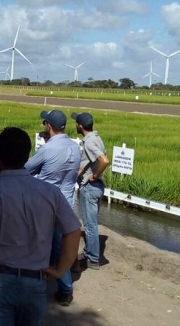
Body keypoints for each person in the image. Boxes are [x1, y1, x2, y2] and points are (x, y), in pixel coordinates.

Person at [0, 127, 82, 325]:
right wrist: (60, 269)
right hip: (34, 282)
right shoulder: (50, 192)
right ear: (27, 156)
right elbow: (73, 231)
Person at [24, 110, 81, 306]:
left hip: (47, 204)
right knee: (60, 243)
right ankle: (62, 278)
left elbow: (26, 168)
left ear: (48, 126)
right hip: (67, 202)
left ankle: (64, 288)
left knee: (49, 245)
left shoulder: (47, 149)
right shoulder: (75, 147)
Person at [72, 112, 109, 271]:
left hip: (91, 188)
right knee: (90, 222)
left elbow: (104, 160)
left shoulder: (89, 142)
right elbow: (94, 159)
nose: (75, 125)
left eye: (76, 123)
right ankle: (88, 252)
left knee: (90, 225)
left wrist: (94, 175)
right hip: (96, 188)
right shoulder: (96, 138)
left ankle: (93, 259)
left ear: (80, 125)